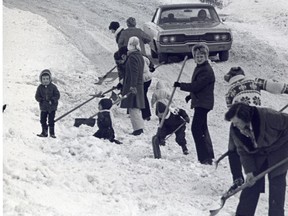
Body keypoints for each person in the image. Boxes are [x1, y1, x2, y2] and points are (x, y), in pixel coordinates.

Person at [224, 66, 288, 192]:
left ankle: (237, 178)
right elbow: (275, 86)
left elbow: (232, 113)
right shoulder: (253, 80)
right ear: (243, 74)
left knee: (234, 149)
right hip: (257, 116)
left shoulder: (230, 91)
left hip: (239, 121)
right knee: (257, 144)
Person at [224, 103, 288, 216]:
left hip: (280, 150)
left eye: (237, 122)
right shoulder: (236, 130)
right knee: (251, 183)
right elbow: (242, 151)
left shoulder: (269, 116)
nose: (235, 125)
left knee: (277, 185)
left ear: (246, 119)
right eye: (233, 122)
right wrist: (249, 171)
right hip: (259, 153)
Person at [173, 43, 215, 165]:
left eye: (201, 56)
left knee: (196, 128)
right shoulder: (200, 67)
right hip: (201, 101)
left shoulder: (206, 70)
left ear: (206, 56)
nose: (199, 58)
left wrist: (181, 85)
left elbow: (197, 86)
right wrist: (190, 95)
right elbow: (199, 86)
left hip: (203, 103)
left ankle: (204, 157)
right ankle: (207, 156)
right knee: (201, 128)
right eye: (197, 56)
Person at [120, 36, 145, 136]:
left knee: (133, 107)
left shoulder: (132, 57)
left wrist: (133, 86)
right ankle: (140, 127)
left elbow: (134, 72)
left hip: (133, 85)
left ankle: (138, 129)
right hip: (138, 84)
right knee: (136, 108)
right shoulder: (139, 55)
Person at [35, 69, 60, 138]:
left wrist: (52, 100)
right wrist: (41, 100)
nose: (45, 80)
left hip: (52, 108)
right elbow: (37, 96)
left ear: (50, 79)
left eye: (47, 79)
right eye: (43, 79)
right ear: (41, 80)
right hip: (43, 107)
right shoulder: (40, 88)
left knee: (51, 120)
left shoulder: (53, 87)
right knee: (43, 120)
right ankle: (44, 132)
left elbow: (57, 95)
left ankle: (52, 133)